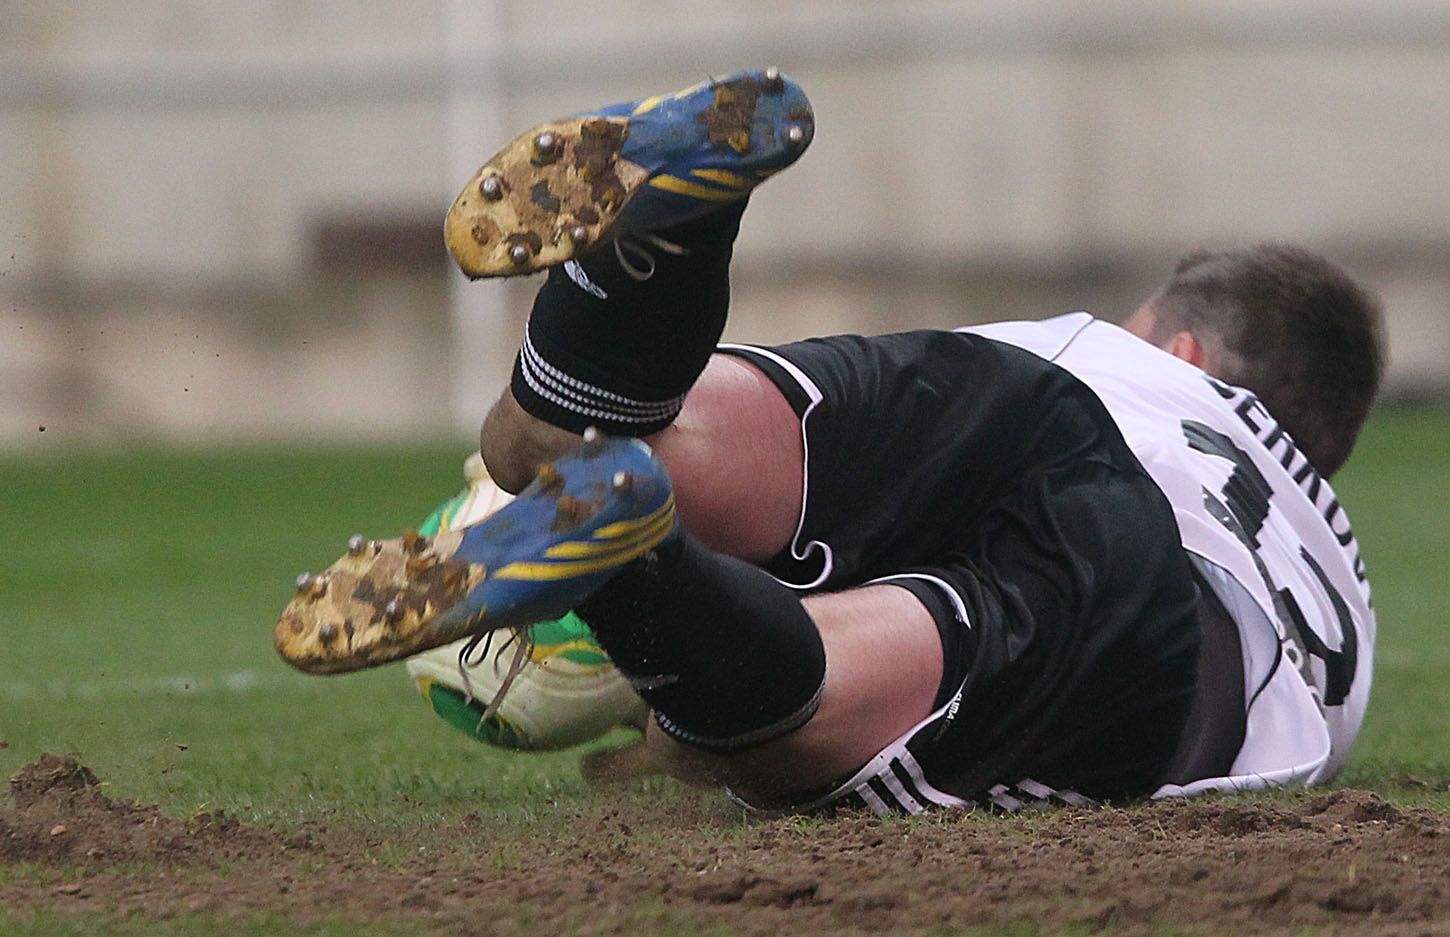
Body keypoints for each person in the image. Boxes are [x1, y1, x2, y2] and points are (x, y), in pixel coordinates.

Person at [275, 69, 1384, 813]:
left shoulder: (1105, 352)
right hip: (1164, 623)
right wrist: (678, 717)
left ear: (1179, 353)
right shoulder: (1322, 588)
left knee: (560, 441)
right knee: (782, 730)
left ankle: (661, 251)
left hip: (1019, 386)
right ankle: (631, 562)